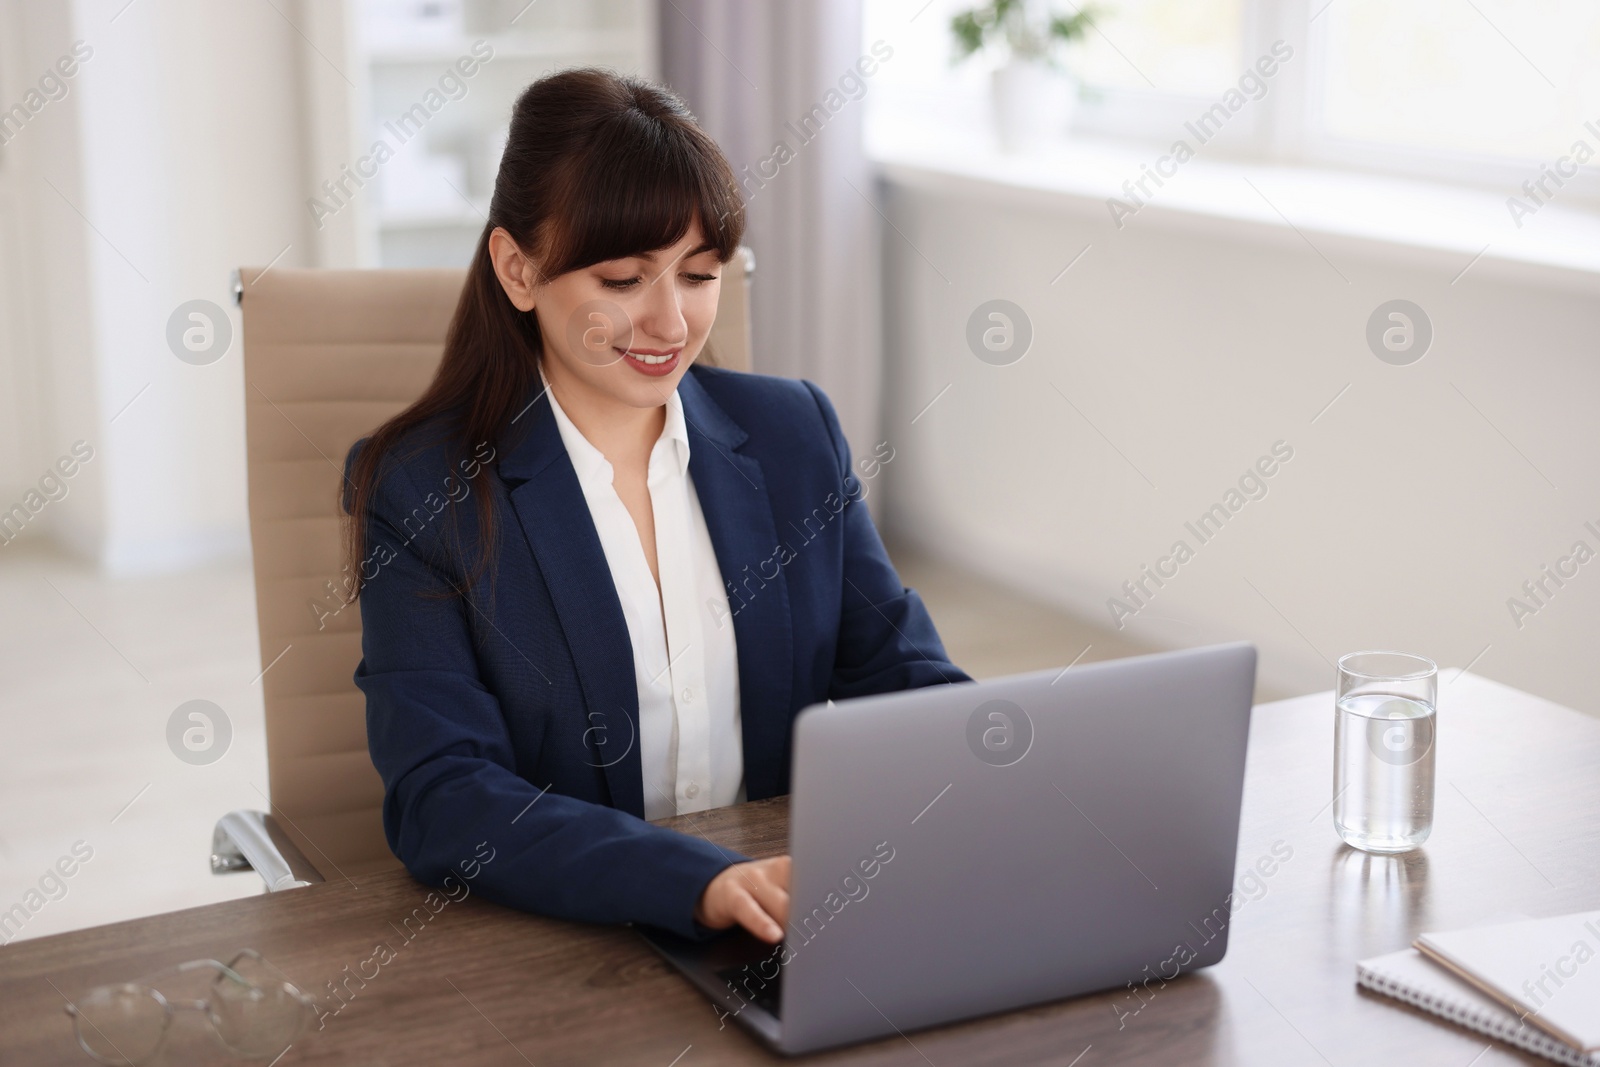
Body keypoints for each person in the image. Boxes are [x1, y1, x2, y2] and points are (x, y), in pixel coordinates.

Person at [341, 67, 970, 947]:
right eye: (625, 278)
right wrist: (696, 881)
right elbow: (444, 799)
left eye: (700, 273)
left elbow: (903, 680)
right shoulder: (421, 488)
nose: (671, 323)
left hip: (783, 925)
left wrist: (999, 768)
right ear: (518, 270)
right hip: (559, 945)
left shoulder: (793, 436)